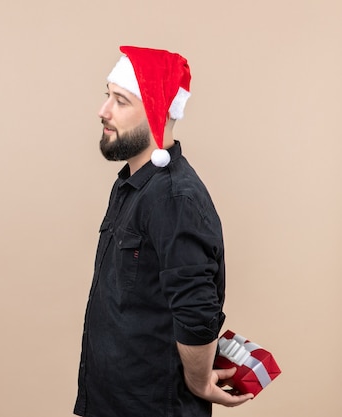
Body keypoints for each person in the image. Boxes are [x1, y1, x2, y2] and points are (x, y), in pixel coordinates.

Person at [73, 46, 253, 417]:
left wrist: (199, 382)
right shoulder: (131, 185)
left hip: (153, 407)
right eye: (107, 95)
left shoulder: (174, 197)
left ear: (157, 109)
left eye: (120, 101)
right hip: (112, 400)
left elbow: (197, 309)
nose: (103, 111)